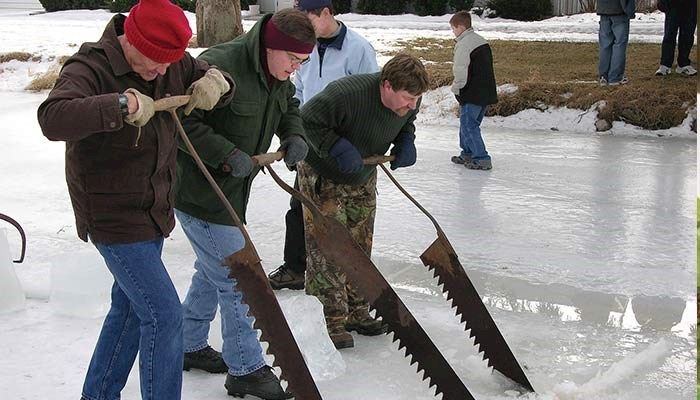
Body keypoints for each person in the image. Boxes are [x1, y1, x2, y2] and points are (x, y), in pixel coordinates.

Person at [36, 0, 233, 398]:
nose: (163, 72)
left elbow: (214, 74)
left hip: (154, 208)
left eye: (169, 64)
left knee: (128, 310)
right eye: (154, 63)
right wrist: (118, 104)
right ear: (132, 40)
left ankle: (97, 394)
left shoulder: (170, 62)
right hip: (111, 214)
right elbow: (52, 117)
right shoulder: (89, 66)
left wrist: (218, 83)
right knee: (164, 314)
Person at [173, 9, 315, 400]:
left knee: (213, 268)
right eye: (293, 59)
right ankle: (246, 368)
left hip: (234, 190)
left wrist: (294, 134)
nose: (296, 68)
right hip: (199, 192)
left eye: (304, 61)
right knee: (239, 278)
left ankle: (187, 342)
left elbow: (289, 106)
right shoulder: (220, 66)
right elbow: (181, 122)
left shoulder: (279, 72)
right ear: (271, 46)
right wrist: (224, 152)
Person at [297, 53, 430, 349]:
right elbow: (306, 120)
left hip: (363, 173)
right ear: (386, 86)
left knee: (359, 242)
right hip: (324, 174)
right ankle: (329, 319)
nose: (412, 105)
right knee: (328, 247)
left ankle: (357, 311)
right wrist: (336, 146)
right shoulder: (346, 94)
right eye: (408, 98)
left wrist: (406, 140)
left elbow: (408, 121)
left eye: (416, 99)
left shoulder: (408, 103)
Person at [268, 0, 379, 291]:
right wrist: (295, 135)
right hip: (311, 140)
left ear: (326, 13)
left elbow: (370, 98)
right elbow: (300, 93)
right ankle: (295, 267)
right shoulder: (305, 47)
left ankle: (347, 278)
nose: (302, 27)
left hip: (346, 147)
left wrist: (351, 145)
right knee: (299, 206)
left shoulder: (359, 49)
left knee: (344, 214)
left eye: (307, 18)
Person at [448, 10, 497, 171]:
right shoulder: (480, 40)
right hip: (485, 91)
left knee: (469, 125)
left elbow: (460, 70)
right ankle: (467, 153)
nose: (453, 32)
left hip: (472, 92)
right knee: (467, 123)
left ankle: (482, 158)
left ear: (461, 27)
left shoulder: (464, 44)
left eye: (453, 29)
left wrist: (457, 88)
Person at [596, 0, 635, 86]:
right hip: (619, 10)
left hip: (604, 10)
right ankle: (615, 77)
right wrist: (629, 10)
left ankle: (604, 76)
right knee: (619, 44)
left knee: (605, 45)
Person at [654, 0, 697, 76]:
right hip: (672, 4)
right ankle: (665, 65)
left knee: (687, 35)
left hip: (691, 5)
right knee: (669, 35)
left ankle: (683, 64)